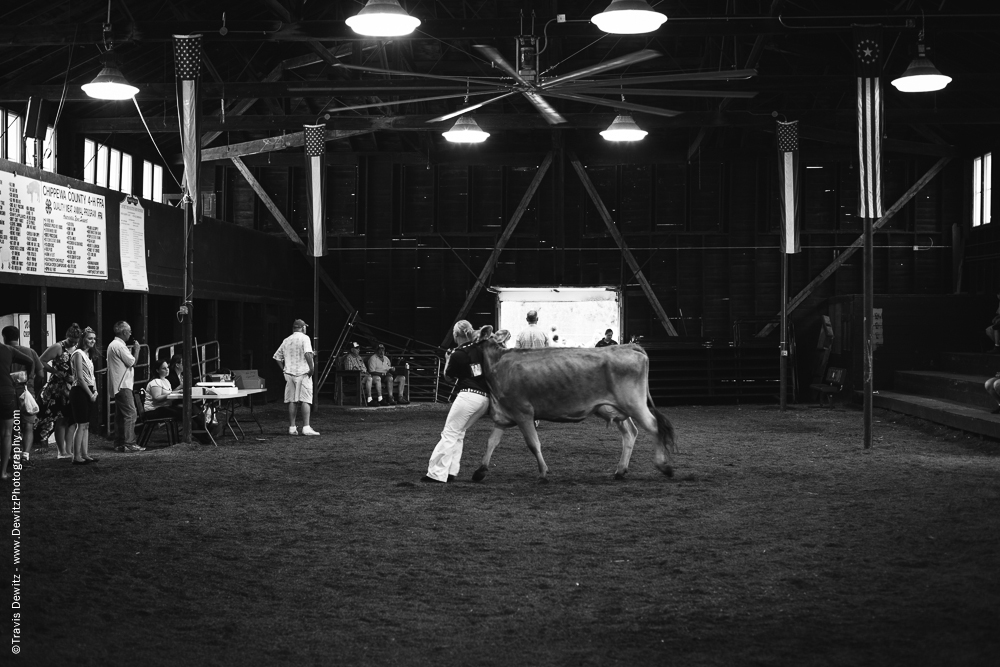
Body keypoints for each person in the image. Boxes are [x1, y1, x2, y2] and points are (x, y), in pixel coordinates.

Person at [423, 321, 493, 484]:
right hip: (484, 399)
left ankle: (436, 473)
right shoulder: (480, 349)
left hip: (468, 396)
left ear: (456, 335)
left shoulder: (458, 353)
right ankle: (451, 471)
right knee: (459, 433)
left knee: (449, 433)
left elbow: (448, 377)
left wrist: (448, 359)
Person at [37, 323, 82, 459]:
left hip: (72, 386)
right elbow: (41, 361)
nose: (73, 344)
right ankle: (61, 451)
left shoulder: (77, 348)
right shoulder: (58, 347)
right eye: (71, 341)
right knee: (60, 419)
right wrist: (55, 371)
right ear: (66, 337)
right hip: (58, 388)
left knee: (71, 419)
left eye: (75, 342)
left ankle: (69, 450)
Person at [2, 326, 43, 465]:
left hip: (8, 392)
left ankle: (11, 455)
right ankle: (25, 455)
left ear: (4, 337)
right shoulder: (30, 352)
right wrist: (32, 385)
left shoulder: (4, 352)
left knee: (9, 426)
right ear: (18, 336)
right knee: (28, 425)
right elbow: (41, 374)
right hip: (27, 391)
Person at [273, 319, 319, 436]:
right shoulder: (305, 338)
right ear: (303, 328)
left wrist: (284, 368)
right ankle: (306, 427)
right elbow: (307, 353)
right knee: (305, 399)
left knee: (292, 400)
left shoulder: (286, 340)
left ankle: (292, 427)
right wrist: (312, 368)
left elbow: (277, 357)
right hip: (303, 372)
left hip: (289, 373)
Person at [1, 339, 35, 481]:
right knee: (7, 433)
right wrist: (24, 379)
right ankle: (2, 473)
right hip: (7, 392)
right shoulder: (8, 350)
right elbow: (30, 362)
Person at [69, 327, 103, 464]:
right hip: (79, 390)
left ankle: (85, 454)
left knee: (86, 424)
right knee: (81, 424)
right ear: (83, 339)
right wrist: (90, 394)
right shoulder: (78, 353)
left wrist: (95, 390)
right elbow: (80, 377)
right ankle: (76, 456)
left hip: (88, 389)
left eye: (94, 339)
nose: (92, 341)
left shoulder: (87, 356)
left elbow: (91, 377)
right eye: (90, 338)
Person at [107, 321, 142, 453]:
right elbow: (132, 362)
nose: (131, 333)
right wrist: (137, 350)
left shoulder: (114, 345)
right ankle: (129, 443)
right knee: (131, 413)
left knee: (120, 415)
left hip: (118, 384)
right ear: (124, 332)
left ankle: (120, 443)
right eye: (129, 331)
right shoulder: (119, 346)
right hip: (123, 384)